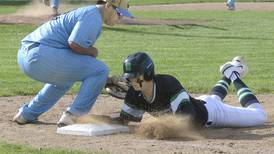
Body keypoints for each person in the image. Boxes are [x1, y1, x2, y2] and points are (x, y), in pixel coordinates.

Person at [13, 0, 133, 127]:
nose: (121, 17)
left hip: (28, 56)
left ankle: (26, 114)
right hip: (41, 54)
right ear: (108, 6)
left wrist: (106, 80)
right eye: (119, 12)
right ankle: (74, 116)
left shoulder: (89, 12)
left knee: (64, 81)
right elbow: (75, 45)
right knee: (100, 70)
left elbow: (76, 57)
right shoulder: (93, 16)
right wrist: (93, 52)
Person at [112, 52, 267, 128]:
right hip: (203, 102)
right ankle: (229, 71)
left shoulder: (167, 83)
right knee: (212, 98)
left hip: (214, 114)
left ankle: (233, 74)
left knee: (260, 116)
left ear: (148, 73)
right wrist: (94, 119)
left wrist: (158, 127)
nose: (131, 81)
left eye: (135, 76)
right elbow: (123, 121)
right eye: (129, 77)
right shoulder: (134, 93)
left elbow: (188, 119)